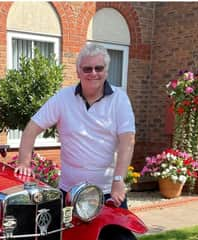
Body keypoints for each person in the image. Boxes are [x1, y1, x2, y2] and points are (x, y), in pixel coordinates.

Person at [14, 43, 136, 208]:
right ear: (78, 72)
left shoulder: (119, 99)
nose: (93, 73)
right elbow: (31, 129)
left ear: (106, 71)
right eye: (87, 69)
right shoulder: (63, 98)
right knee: (60, 235)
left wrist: (118, 180)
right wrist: (23, 163)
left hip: (107, 193)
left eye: (99, 68)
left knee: (120, 235)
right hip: (69, 193)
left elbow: (127, 141)